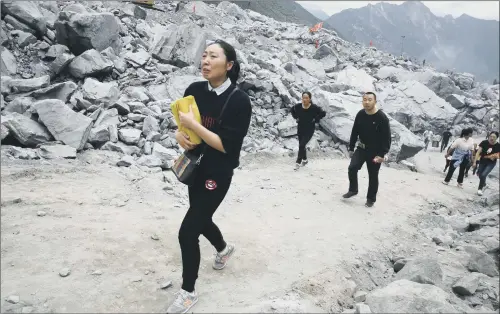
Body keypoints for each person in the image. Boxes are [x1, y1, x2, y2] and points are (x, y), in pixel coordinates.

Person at [167, 39, 252, 314]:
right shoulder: (193, 90)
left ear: (228, 65)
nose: (205, 60)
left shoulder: (239, 101)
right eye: (204, 55)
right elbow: (183, 126)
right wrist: (181, 134)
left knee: (188, 231)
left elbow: (226, 145)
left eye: (213, 56)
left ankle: (188, 293)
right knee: (200, 217)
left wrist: (195, 125)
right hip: (196, 166)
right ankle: (224, 249)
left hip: (218, 172)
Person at [343, 92, 391, 208]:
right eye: (364, 99)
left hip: (375, 152)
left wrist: (381, 154)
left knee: (373, 175)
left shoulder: (382, 117)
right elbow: (355, 131)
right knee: (352, 167)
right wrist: (351, 147)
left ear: (375, 101)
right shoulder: (360, 114)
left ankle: (371, 199)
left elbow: (387, 138)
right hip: (362, 148)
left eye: (370, 99)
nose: (367, 102)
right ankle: (353, 189)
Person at [290, 91, 326, 170]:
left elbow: (323, 113)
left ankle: (298, 162)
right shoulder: (298, 106)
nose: (304, 99)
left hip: (309, 129)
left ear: (309, 99)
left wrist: (315, 119)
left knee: (302, 145)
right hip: (300, 128)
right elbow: (292, 110)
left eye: (306, 98)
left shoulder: (314, 107)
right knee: (302, 145)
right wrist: (296, 117)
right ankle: (305, 160)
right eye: (303, 98)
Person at [472, 131, 500, 195]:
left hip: (491, 163)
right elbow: (478, 152)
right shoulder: (484, 142)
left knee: (483, 175)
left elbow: (498, 155)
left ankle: (480, 189)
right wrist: (474, 162)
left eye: (494, 137)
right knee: (479, 174)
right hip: (482, 161)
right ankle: (483, 183)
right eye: (491, 136)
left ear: (497, 138)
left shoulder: (498, 146)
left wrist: (495, 156)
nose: (492, 138)